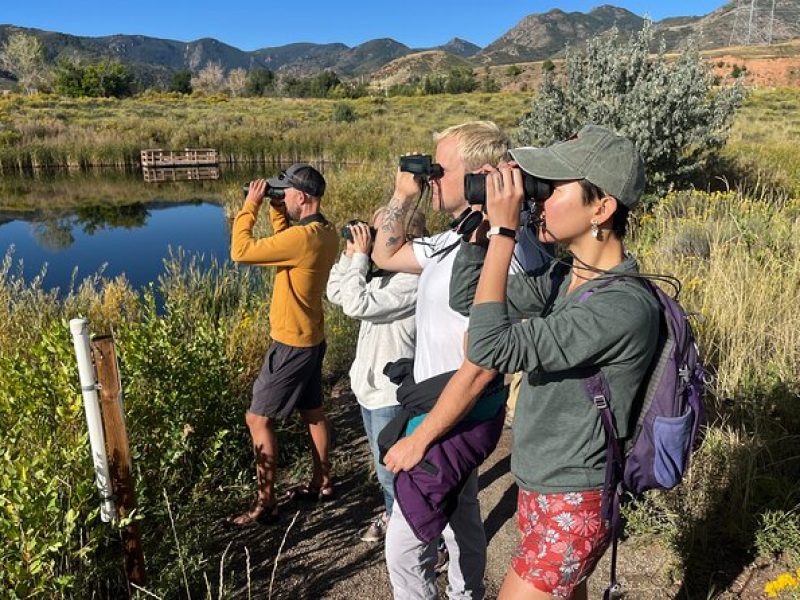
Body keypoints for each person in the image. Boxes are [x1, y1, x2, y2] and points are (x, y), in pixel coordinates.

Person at [403, 124, 659, 599]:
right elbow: (466, 297)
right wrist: (479, 238)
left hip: (575, 500)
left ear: (601, 208)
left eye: (552, 188)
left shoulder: (620, 306)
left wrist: (505, 232)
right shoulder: (566, 279)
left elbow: (488, 346)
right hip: (544, 487)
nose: (537, 200)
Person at [373, 121, 511, 600]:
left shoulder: (502, 252)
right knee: (462, 515)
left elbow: (485, 362)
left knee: (403, 549)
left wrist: (421, 439)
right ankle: (468, 593)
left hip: (457, 413)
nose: (430, 176)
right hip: (446, 409)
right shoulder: (457, 238)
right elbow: (386, 252)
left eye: (439, 169)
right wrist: (402, 195)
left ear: (479, 176)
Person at [228, 162, 339, 526]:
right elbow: (287, 247)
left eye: (286, 192)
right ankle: (322, 483)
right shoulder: (324, 231)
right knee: (313, 413)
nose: (283, 196)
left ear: (302, 196)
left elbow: (241, 251)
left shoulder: (300, 239)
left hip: (290, 344)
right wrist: (279, 211)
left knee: (257, 419)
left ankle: (266, 504)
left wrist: (251, 205)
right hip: (312, 338)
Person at [326, 208, 426, 543]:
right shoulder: (382, 274)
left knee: (392, 471)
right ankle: (393, 517)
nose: (378, 241)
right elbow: (336, 293)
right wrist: (350, 254)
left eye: (385, 234)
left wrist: (362, 258)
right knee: (382, 468)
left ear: (404, 239)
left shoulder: (412, 280)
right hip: (368, 388)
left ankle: (426, 540)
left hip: (389, 393)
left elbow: (356, 304)